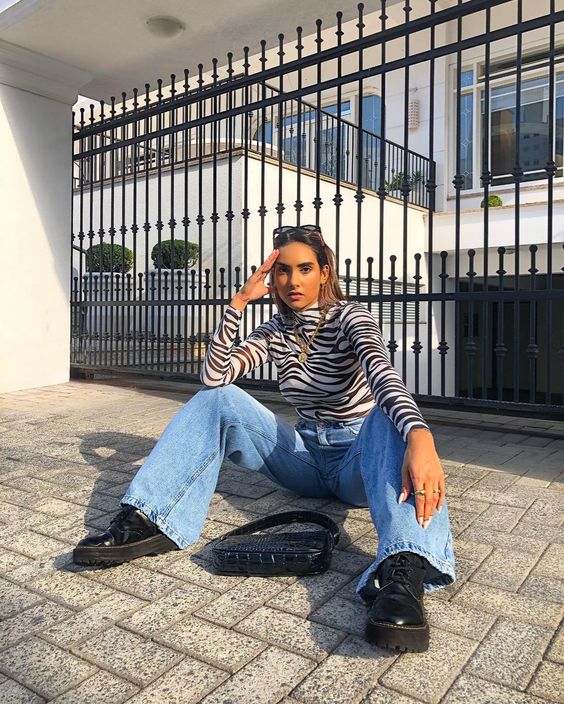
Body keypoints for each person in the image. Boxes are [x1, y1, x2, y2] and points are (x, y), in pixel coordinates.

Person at [73, 224, 455, 653]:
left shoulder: (351, 318)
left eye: (304, 269)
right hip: (305, 458)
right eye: (283, 271)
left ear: (324, 272)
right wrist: (237, 304)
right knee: (217, 399)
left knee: (388, 419)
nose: (293, 281)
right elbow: (214, 377)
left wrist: (419, 435)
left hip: (357, 463)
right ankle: (151, 518)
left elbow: (382, 376)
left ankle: (403, 571)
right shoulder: (275, 330)